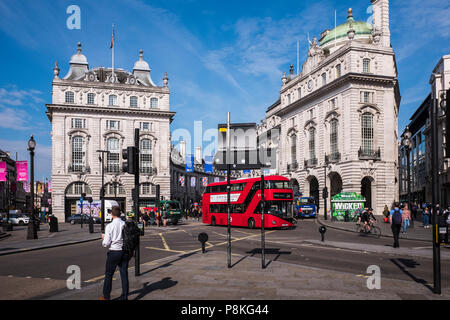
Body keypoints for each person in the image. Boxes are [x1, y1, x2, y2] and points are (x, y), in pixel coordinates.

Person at [100, 206, 129, 300]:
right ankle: (124, 297)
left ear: (111, 214)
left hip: (114, 252)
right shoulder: (125, 224)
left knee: (109, 274)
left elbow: (106, 243)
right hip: (124, 252)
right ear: (120, 214)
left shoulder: (109, 226)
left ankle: (106, 296)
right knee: (124, 273)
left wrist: (103, 239)